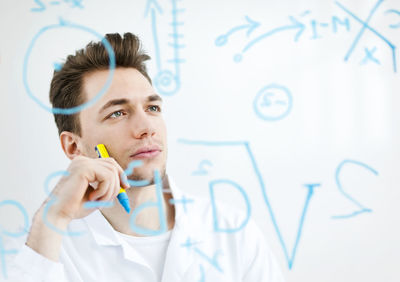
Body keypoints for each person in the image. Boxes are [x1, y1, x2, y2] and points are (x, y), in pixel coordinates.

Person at [7, 33, 285, 282]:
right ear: (73, 147)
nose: (147, 128)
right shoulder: (47, 247)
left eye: (152, 108)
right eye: (117, 113)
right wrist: (52, 218)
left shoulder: (231, 232)